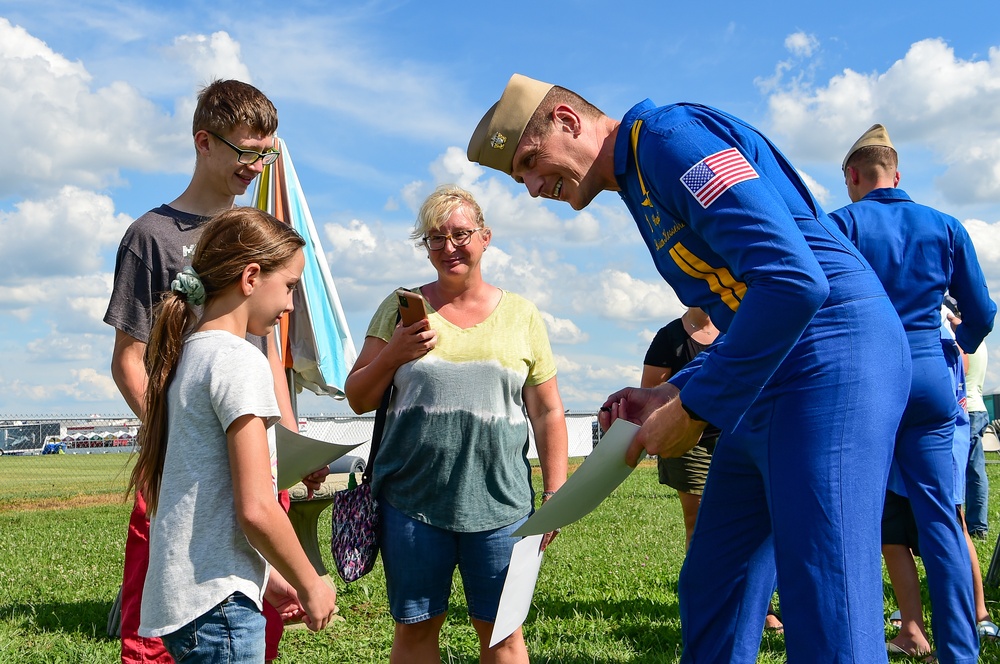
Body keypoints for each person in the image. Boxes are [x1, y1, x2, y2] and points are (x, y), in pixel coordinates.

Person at [468, 74, 912, 663]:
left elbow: (792, 280)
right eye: (518, 175)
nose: (529, 186)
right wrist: (673, 390)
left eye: (529, 160)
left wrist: (696, 409)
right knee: (714, 584)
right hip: (771, 372)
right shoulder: (637, 176)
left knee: (827, 596)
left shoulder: (669, 140)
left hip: (831, 355)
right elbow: (741, 303)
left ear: (569, 120)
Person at [103, 79, 326, 663]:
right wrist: (178, 444)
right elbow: (130, 362)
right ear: (204, 142)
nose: (256, 166)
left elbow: (269, 357)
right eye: (247, 151)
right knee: (159, 630)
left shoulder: (260, 234)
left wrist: (290, 448)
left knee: (252, 610)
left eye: (267, 154)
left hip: (248, 445)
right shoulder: (151, 236)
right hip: (185, 460)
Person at [343, 185, 568, 664]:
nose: (449, 248)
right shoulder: (399, 308)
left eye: (460, 234)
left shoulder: (522, 315)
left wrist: (556, 492)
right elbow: (358, 396)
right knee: (416, 632)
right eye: (435, 238)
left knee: (503, 636)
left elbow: (548, 410)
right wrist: (396, 355)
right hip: (411, 503)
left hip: (502, 505)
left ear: (485, 237)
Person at [127, 207, 338, 662]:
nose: (290, 305)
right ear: (251, 276)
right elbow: (257, 508)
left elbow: (204, 505)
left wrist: (271, 579)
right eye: (290, 288)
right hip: (221, 611)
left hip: (190, 604)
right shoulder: (238, 361)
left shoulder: (185, 357)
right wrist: (310, 582)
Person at [828, 124, 996, 662]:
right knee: (941, 518)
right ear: (898, 174)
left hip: (867, 374)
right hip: (928, 374)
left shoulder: (841, 223)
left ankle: (854, 643)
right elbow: (983, 313)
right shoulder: (945, 225)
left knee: (854, 514)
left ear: (853, 177)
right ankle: (961, 652)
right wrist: (955, 347)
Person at [643, 308, 784, 632]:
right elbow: (651, 391)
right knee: (701, 523)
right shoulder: (671, 337)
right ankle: (707, 607)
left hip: (740, 438)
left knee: (757, 524)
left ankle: (762, 606)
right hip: (689, 444)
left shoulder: (742, 324)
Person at [882, 306, 998, 657]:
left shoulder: (924, 316)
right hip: (921, 439)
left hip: (918, 434)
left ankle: (958, 623)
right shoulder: (935, 318)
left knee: (937, 529)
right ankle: (929, 628)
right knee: (907, 534)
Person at [965, 339, 990, 539]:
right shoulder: (979, 340)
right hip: (978, 407)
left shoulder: (964, 341)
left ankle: (976, 525)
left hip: (968, 409)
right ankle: (977, 525)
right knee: (976, 469)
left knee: (972, 471)